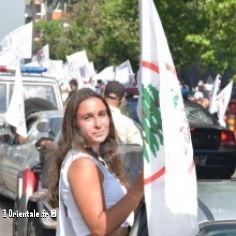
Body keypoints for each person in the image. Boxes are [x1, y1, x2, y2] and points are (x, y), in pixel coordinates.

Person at [48, 88, 143, 236]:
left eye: (102, 114)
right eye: (88, 118)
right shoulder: (82, 164)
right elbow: (100, 228)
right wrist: (137, 191)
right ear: (74, 124)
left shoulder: (95, 158)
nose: (98, 124)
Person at [104, 81, 143, 146]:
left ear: (104, 95)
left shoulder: (90, 117)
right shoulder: (127, 123)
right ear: (122, 99)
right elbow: (138, 147)